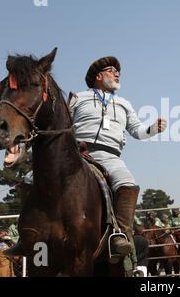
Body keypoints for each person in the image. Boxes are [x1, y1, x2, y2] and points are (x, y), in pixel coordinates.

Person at [67, 56, 166, 263]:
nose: (117, 74)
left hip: (110, 156)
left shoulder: (124, 104)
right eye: (112, 70)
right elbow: (63, 123)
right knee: (32, 178)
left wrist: (152, 129)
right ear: (99, 76)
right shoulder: (78, 97)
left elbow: (137, 131)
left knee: (128, 184)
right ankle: (29, 237)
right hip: (77, 154)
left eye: (118, 71)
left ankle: (120, 236)